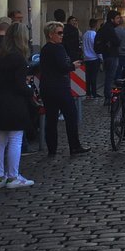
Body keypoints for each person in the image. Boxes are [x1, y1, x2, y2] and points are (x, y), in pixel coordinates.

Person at [0, 23, 35, 188]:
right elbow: (19, 85)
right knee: (15, 139)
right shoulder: (18, 58)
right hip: (13, 103)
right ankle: (13, 176)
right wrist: (29, 92)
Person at [38, 22, 89, 158]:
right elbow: (62, 66)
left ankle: (52, 149)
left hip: (47, 88)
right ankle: (74, 146)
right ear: (51, 34)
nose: (62, 36)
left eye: (62, 33)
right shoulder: (57, 48)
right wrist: (72, 66)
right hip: (59, 87)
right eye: (59, 33)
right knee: (71, 116)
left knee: (51, 119)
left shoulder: (44, 49)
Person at [95, 14, 119, 105]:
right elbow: (117, 42)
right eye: (117, 18)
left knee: (108, 76)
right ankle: (108, 97)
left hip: (106, 55)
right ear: (112, 19)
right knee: (110, 77)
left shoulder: (103, 28)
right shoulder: (110, 29)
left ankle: (108, 96)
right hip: (112, 55)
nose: (119, 20)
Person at [81, 20, 100, 100]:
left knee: (88, 76)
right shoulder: (95, 35)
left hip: (86, 58)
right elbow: (96, 47)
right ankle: (94, 93)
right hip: (94, 58)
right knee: (93, 76)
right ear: (96, 25)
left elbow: (82, 46)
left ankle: (88, 92)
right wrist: (101, 57)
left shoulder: (85, 34)